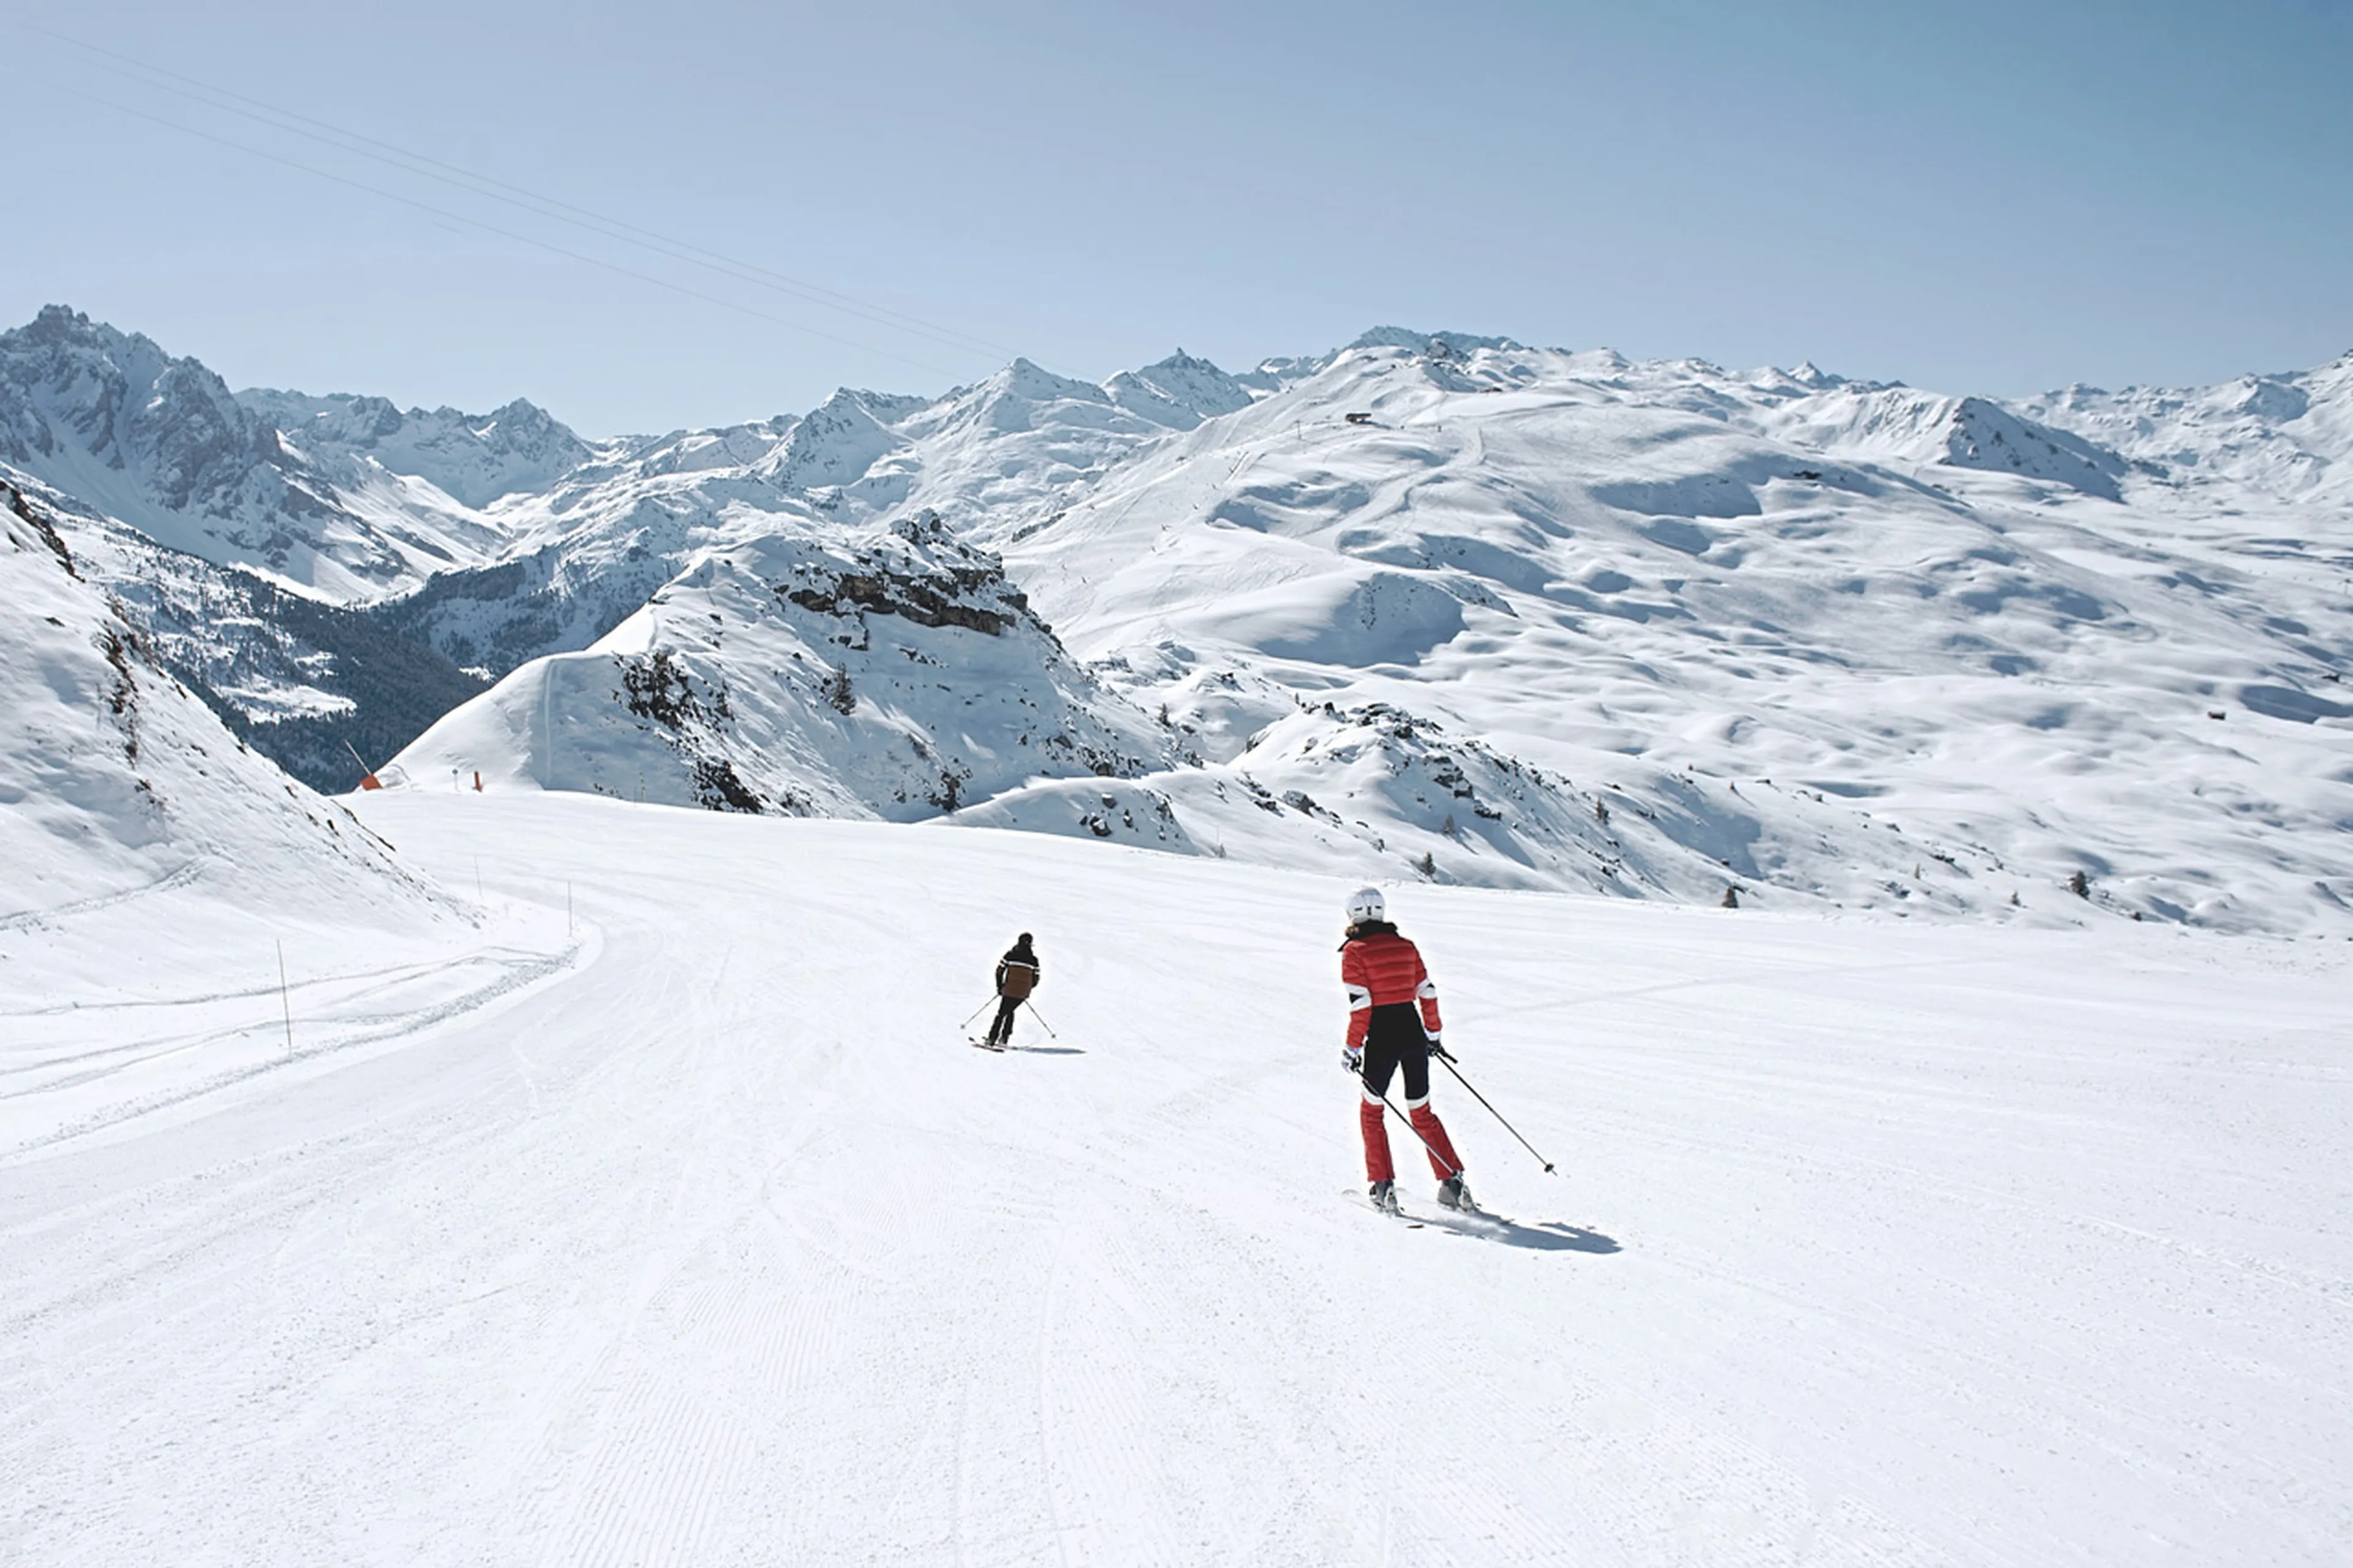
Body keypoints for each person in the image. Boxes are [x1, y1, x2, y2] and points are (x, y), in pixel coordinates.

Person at [1340, 888, 1471, 1214]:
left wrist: (1352, 1047)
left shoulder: (1354, 952)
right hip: (1413, 1036)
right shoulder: (1406, 946)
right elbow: (1427, 992)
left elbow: (1362, 1006)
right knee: (1421, 1110)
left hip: (1381, 1040)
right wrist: (1433, 1034)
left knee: (1372, 1111)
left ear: (1353, 915)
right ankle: (1452, 1183)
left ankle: (1382, 1187)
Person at [983, 933, 1040, 1049]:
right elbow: (1036, 979)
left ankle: (992, 1038)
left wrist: (1000, 987)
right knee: (1010, 1010)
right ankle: (1005, 1037)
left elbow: (999, 971)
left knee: (1001, 1014)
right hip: (1023, 993)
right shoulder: (1034, 960)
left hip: (1009, 990)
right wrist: (1027, 988)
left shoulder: (1010, 955)